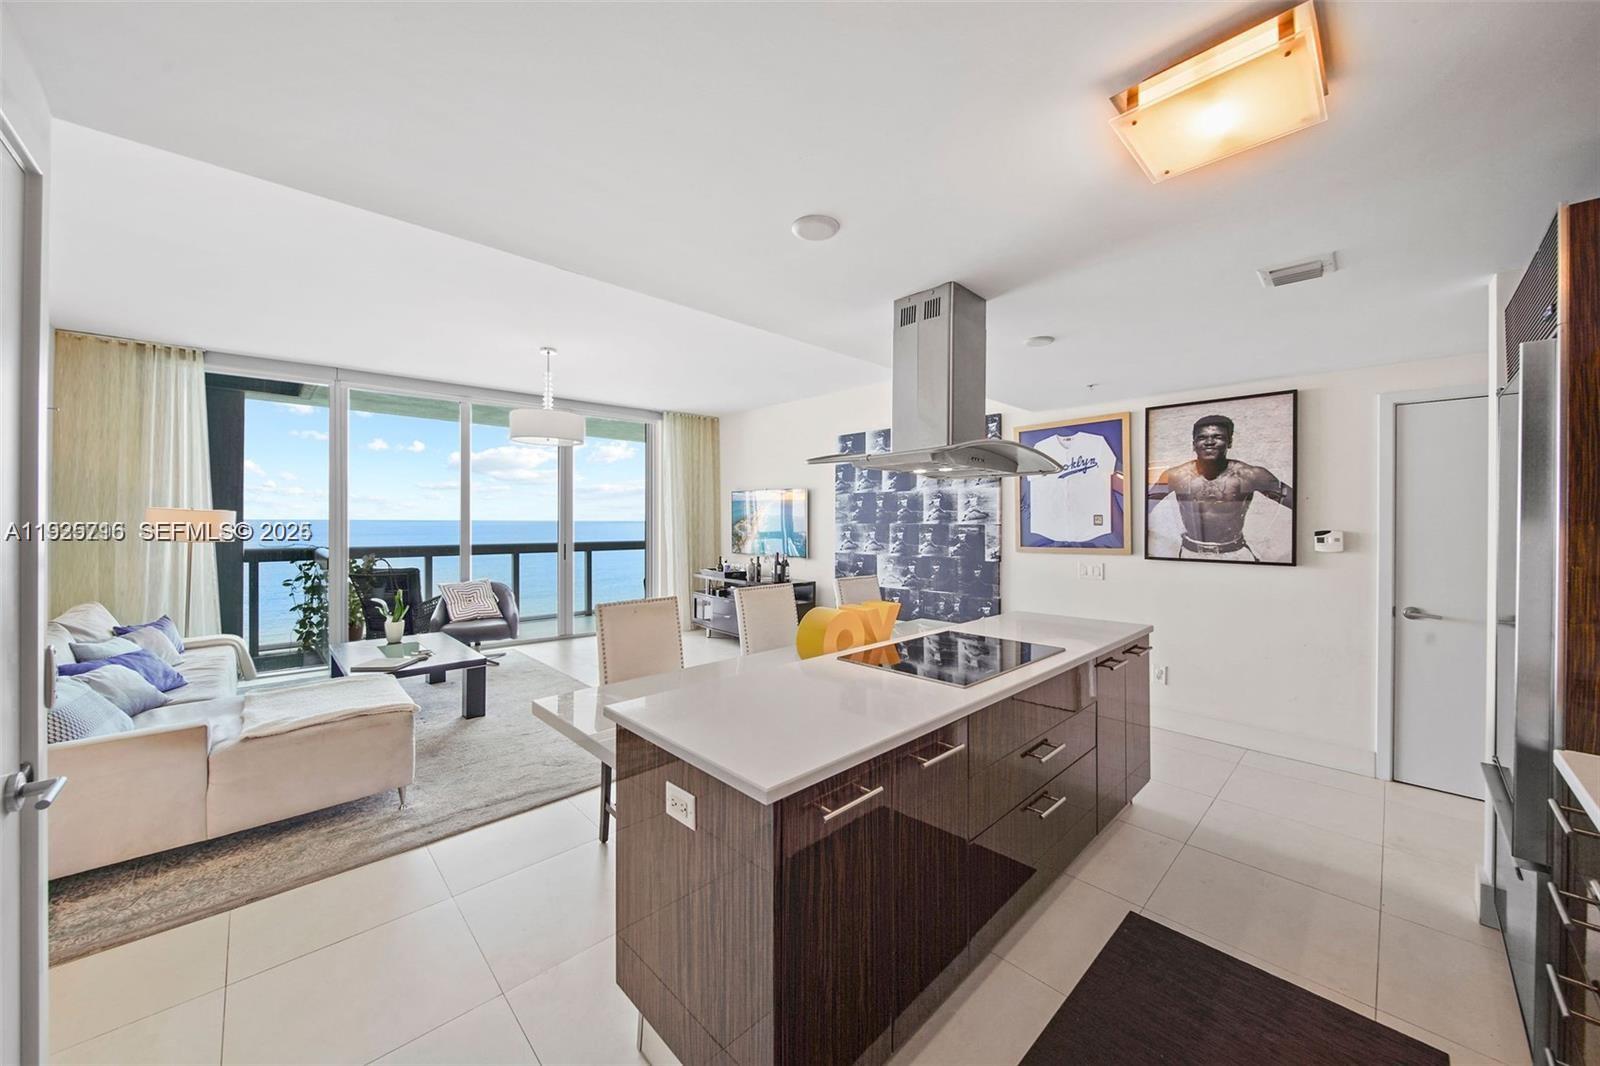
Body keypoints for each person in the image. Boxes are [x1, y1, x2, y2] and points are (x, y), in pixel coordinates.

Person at [1150, 414, 1293, 561]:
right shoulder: (1175, 475)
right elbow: (1139, 510)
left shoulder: (1251, 475)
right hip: (1189, 553)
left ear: (1229, 442)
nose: (1209, 442)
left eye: (1217, 437)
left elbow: (1303, 505)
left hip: (1236, 554)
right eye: (1202, 438)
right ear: (1194, 444)